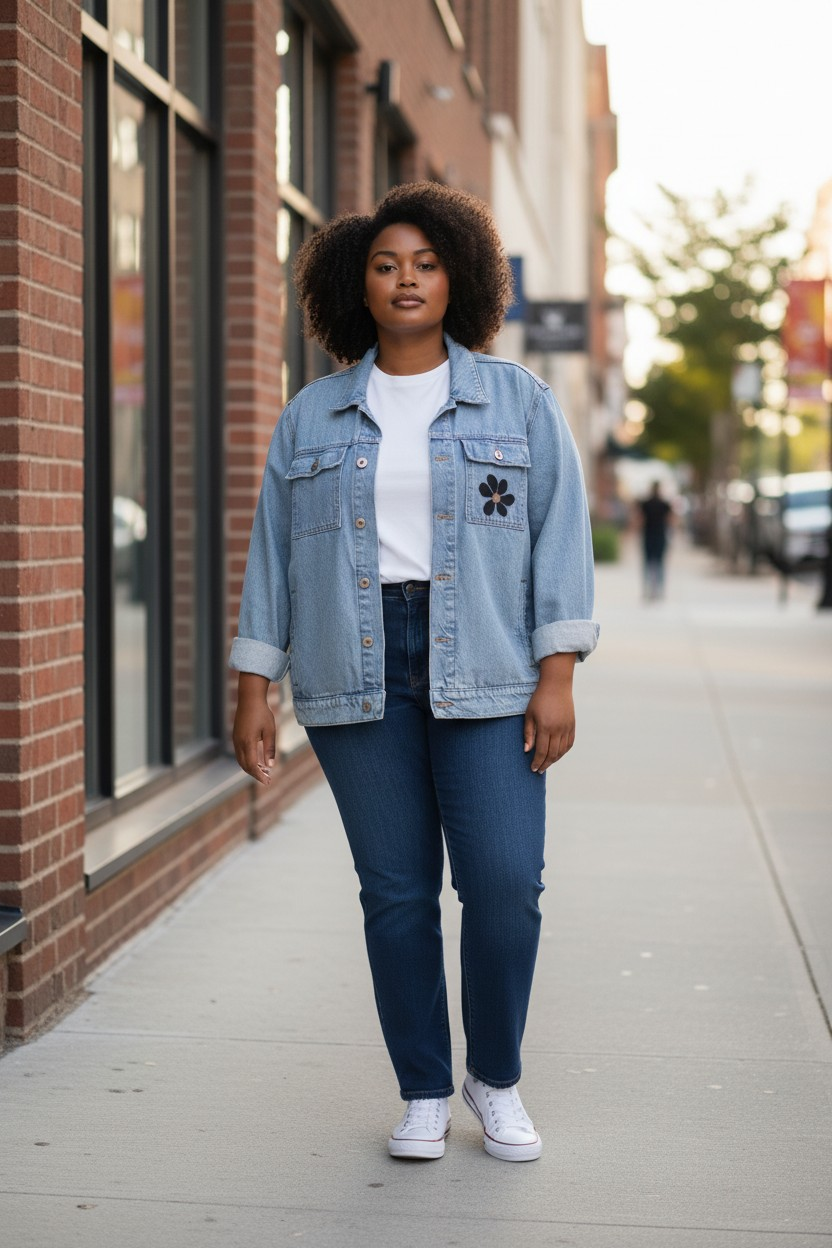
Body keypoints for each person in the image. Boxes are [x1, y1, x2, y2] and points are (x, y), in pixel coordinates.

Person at [230, 182, 598, 1163]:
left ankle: (497, 1076)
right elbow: (273, 557)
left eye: (425, 263)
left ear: (458, 277)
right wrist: (252, 685)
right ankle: (426, 1088)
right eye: (386, 264)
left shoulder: (517, 400)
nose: (405, 279)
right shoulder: (311, 416)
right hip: (355, 669)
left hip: (486, 661)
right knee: (394, 893)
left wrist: (556, 671)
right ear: (358, 284)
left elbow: (560, 538)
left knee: (505, 885)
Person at [638, 480, 673, 600]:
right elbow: (671, 520)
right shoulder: (664, 504)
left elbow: (639, 519)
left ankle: (647, 590)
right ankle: (659, 590)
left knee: (647, 564)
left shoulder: (645, 504)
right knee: (660, 564)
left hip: (648, 535)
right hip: (660, 535)